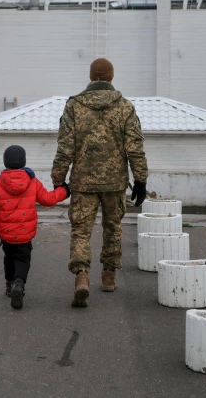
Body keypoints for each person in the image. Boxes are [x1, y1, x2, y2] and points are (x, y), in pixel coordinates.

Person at [51, 58, 148, 308]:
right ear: (111, 77)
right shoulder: (125, 107)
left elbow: (65, 146)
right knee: (113, 227)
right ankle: (108, 276)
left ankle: (82, 275)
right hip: (115, 183)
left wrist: (58, 179)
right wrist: (140, 180)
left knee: (81, 230)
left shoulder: (74, 106)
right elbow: (134, 147)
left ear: (91, 77)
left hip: (83, 183)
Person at [0, 145, 70, 310]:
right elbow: (47, 199)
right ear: (23, 161)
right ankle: (19, 284)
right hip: (25, 233)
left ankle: (9, 284)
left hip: (6, 234)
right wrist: (64, 191)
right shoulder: (32, 181)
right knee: (23, 259)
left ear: (5, 162)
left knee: (9, 257)